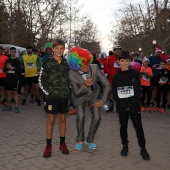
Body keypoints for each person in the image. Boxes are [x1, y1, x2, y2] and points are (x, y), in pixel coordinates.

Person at [67, 47, 110, 150]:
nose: (86, 68)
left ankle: (89, 139)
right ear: (76, 65)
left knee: (97, 117)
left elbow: (107, 84)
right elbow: (76, 93)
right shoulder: (71, 74)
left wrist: (102, 100)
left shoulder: (94, 68)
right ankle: (80, 139)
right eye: (83, 66)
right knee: (81, 117)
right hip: (80, 97)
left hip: (93, 95)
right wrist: (85, 86)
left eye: (87, 65)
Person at [113, 50, 150, 160]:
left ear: (130, 61)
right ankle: (125, 146)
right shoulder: (116, 77)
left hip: (134, 106)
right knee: (123, 126)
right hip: (122, 106)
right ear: (118, 62)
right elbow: (115, 93)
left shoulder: (134, 74)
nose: (124, 63)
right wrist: (124, 106)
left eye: (126, 61)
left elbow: (138, 91)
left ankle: (143, 148)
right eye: (122, 61)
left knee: (138, 126)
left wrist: (130, 105)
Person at [39, 38, 70, 157]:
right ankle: (48, 145)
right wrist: (49, 93)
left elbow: (70, 79)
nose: (59, 50)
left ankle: (62, 143)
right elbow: (41, 80)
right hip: (51, 97)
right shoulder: (47, 62)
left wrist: (69, 90)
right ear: (53, 49)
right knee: (51, 120)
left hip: (64, 97)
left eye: (61, 48)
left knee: (62, 120)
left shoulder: (67, 63)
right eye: (57, 48)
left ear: (64, 49)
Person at [2, 47, 22, 113]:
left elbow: (20, 70)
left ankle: (16, 107)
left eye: (14, 52)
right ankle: (8, 106)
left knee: (15, 93)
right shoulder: (7, 60)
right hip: (8, 79)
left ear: (15, 52)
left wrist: (12, 68)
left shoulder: (18, 61)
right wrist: (7, 68)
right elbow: (4, 70)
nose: (13, 53)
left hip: (15, 79)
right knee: (8, 93)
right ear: (10, 52)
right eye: (12, 51)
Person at [105, 45, 122, 112]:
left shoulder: (123, 58)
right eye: (116, 50)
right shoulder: (110, 58)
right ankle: (111, 106)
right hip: (112, 78)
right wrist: (110, 74)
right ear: (114, 51)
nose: (118, 51)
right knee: (111, 91)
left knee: (120, 91)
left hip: (121, 78)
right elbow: (106, 67)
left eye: (119, 49)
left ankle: (119, 106)